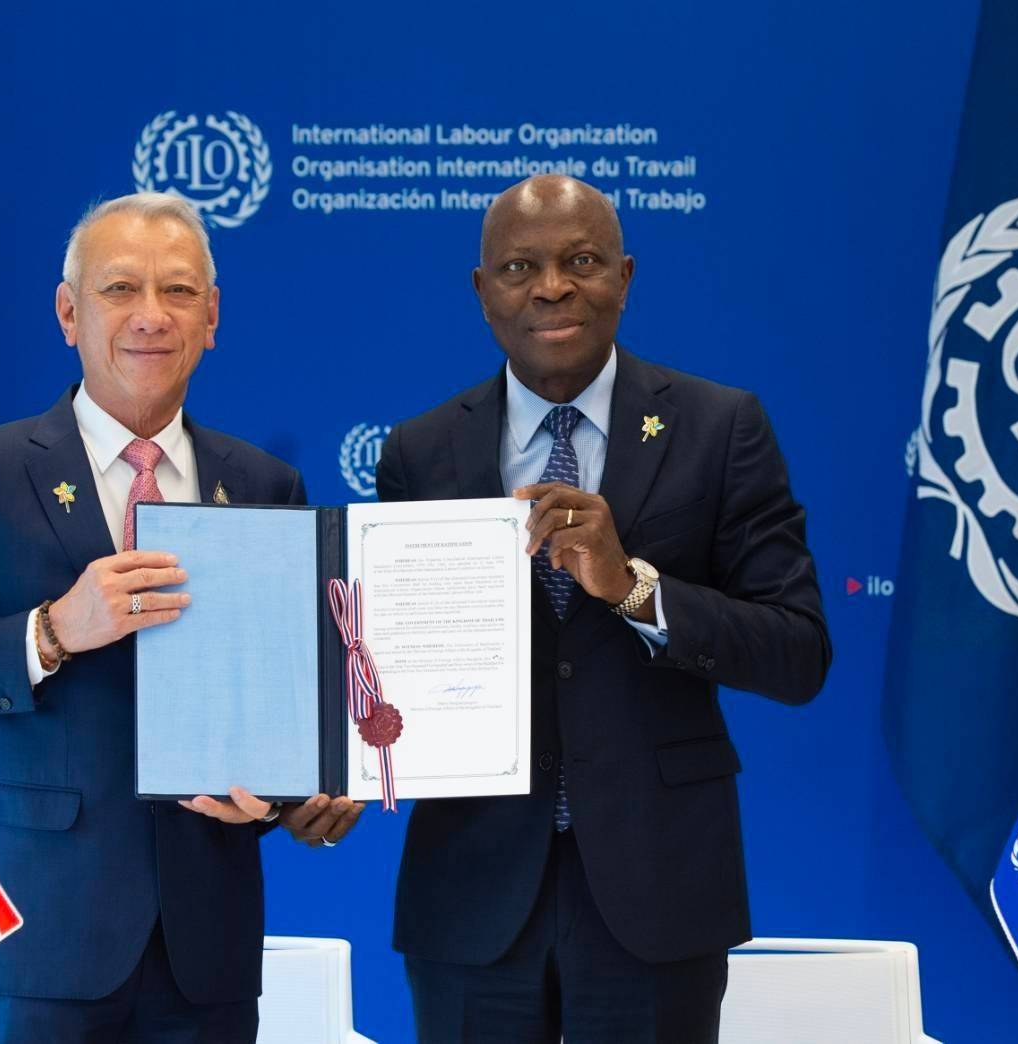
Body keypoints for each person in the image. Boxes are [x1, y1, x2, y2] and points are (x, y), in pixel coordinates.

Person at [0, 191, 361, 1043]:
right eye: (120, 288)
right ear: (69, 313)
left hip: (208, 949)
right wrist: (51, 630)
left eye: (179, 291)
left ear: (212, 317)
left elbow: (287, 695)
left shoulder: (265, 484)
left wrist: (288, 799)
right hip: (40, 942)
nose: (151, 316)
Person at [378, 174, 831, 1043]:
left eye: (581, 261)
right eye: (520, 267)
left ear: (624, 276)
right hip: (471, 893)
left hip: (659, 885)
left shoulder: (720, 427)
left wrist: (634, 588)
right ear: (482, 291)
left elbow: (798, 652)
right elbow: (389, 665)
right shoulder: (420, 452)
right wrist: (343, 765)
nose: (552, 287)